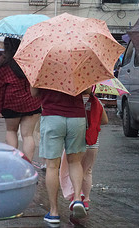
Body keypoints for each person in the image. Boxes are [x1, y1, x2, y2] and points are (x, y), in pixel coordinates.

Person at [31, 87, 88, 223]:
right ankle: (78, 199)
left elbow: (34, 93)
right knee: (74, 161)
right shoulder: (78, 66)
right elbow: (88, 91)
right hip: (77, 118)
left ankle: (54, 212)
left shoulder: (42, 66)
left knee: (52, 166)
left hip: (52, 117)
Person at [0, 37, 42, 162]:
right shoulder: (29, 61)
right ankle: (28, 164)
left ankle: (13, 162)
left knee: (11, 131)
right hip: (32, 101)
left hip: (11, 102)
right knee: (28, 135)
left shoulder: (4, 63)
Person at [60, 87, 109, 212]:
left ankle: (76, 196)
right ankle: (86, 201)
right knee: (87, 171)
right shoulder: (97, 102)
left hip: (76, 140)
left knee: (73, 167)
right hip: (92, 143)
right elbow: (105, 121)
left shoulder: (73, 101)